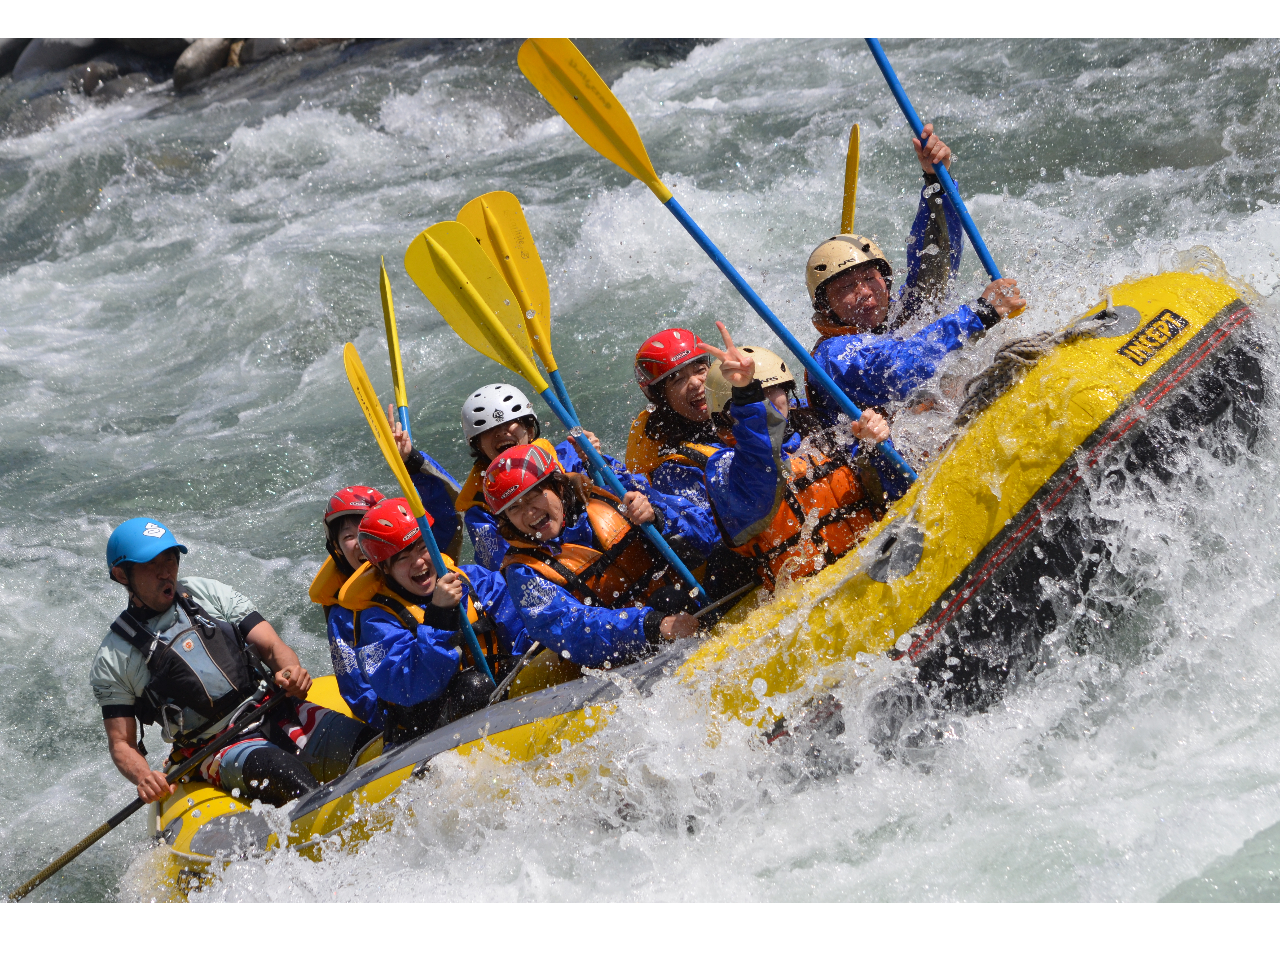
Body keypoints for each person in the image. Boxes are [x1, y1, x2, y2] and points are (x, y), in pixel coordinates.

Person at [90, 518, 375, 807]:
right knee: (288, 778)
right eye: (152, 563)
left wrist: (290, 671)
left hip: (279, 709)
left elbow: (273, 646)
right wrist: (143, 776)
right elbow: (121, 744)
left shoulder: (208, 593)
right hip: (216, 747)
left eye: (170, 558)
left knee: (371, 744)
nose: (166, 571)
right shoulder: (115, 656)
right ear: (122, 575)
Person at [805, 123, 1028, 424]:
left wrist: (936, 182)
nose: (864, 292)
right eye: (846, 287)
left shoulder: (897, 314)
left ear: (885, 280)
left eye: (870, 278)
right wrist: (981, 312)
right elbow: (895, 372)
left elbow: (936, 261)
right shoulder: (832, 357)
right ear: (824, 306)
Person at [702, 324, 912, 590]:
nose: (766, 401)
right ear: (725, 416)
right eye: (757, 396)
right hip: (812, 599)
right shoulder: (722, 469)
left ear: (788, 395)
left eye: (772, 390)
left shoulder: (823, 434)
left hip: (876, 561)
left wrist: (876, 447)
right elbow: (760, 474)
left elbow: (893, 492)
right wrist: (746, 394)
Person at [485, 443, 721, 668]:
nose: (529, 512)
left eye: (534, 495)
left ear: (557, 487)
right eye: (514, 507)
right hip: (628, 651)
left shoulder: (611, 492)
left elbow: (705, 534)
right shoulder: (523, 571)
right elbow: (570, 628)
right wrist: (649, 625)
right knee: (668, 600)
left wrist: (657, 517)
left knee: (715, 565)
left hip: (686, 605)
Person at [310, 407, 463, 726]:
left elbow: (450, 513)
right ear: (337, 549)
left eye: (368, 534)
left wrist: (412, 462)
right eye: (351, 536)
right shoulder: (344, 616)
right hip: (413, 712)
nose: (362, 546)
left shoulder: (421, 569)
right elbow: (358, 689)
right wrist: (398, 721)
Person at [338, 497, 532, 745]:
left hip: (494, 699)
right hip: (426, 734)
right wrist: (439, 619)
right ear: (384, 568)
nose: (419, 562)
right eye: (402, 557)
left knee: (521, 666)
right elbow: (412, 686)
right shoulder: (377, 622)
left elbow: (524, 632)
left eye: (421, 547)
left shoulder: (475, 581)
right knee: (473, 688)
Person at [454, 383, 633, 571]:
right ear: (479, 447)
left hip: (610, 555)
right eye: (489, 430)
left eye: (510, 423)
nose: (501, 432)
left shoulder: (569, 456)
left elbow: (628, 492)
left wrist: (597, 462)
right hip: (557, 580)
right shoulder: (480, 512)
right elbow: (500, 569)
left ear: (530, 430)